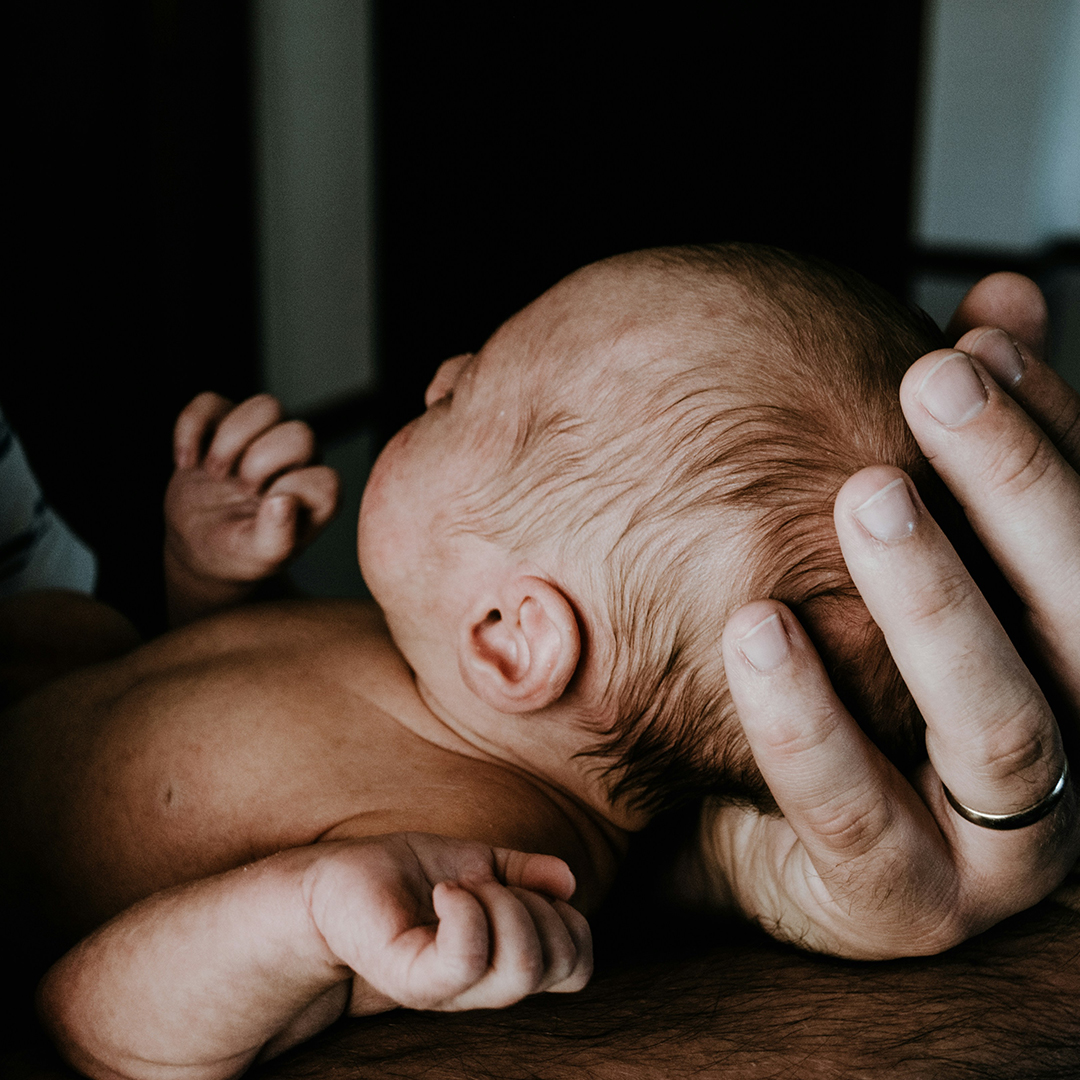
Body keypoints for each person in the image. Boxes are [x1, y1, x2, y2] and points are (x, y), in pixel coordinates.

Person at [1, 248, 1075, 1078]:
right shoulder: (432, 683)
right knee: (71, 627)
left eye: (467, 400)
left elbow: (106, 1034)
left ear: (515, 637)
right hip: (62, 688)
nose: (442, 374)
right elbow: (242, 720)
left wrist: (307, 918)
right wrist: (213, 582)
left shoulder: (464, 867)